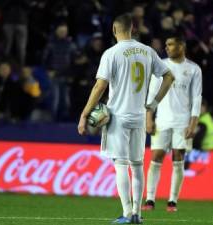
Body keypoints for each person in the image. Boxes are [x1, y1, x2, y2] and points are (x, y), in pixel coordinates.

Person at [77, 13, 174, 224]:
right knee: (137, 165)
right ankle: (137, 214)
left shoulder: (111, 53)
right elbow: (169, 76)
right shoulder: (147, 51)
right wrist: (154, 104)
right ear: (133, 29)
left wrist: (85, 114)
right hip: (139, 116)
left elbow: (99, 86)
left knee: (121, 164)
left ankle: (127, 213)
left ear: (114, 29)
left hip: (118, 117)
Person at [143, 35, 202, 212]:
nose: (167, 47)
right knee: (156, 157)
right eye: (166, 44)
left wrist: (193, 123)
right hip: (162, 120)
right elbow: (152, 93)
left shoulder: (193, 69)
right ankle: (150, 200)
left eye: (171, 44)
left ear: (181, 46)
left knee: (178, 159)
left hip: (183, 122)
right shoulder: (160, 65)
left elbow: (196, 98)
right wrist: (148, 118)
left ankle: (172, 201)